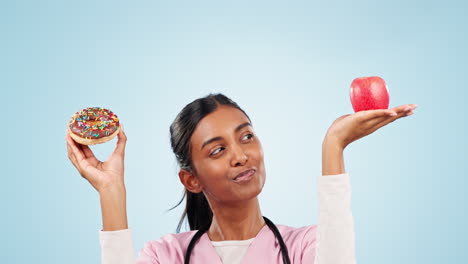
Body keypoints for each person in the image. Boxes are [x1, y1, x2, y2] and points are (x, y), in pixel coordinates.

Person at [66, 93, 417, 263]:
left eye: (246, 136)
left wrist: (334, 144)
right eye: (217, 150)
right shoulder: (167, 256)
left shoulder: (303, 248)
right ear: (191, 180)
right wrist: (110, 191)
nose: (240, 155)